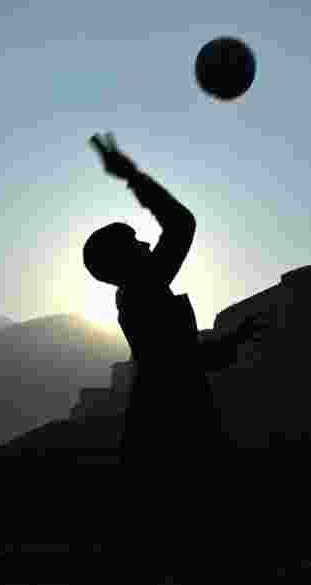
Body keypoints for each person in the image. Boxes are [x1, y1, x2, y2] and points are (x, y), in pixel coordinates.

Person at [83, 132, 267, 468]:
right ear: (123, 261)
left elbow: (181, 358)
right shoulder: (142, 290)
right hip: (175, 430)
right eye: (137, 243)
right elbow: (181, 223)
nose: (148, 246)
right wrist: (132, 176)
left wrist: (233, 340)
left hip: (165, 425)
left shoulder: (136, 297)